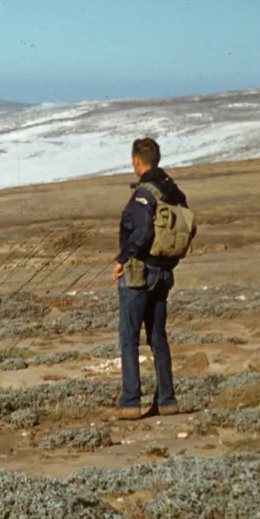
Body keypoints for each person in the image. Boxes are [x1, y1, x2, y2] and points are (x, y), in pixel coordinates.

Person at [111, 137, 188, 419]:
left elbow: (142, 233)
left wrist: (121, 259)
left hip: (140, 270)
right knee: (157, 337)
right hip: (165, 271)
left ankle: (130, 401)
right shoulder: (174, 192)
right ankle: (167, 400)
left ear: (136, 162)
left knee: (128, 336)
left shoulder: (144, 193)